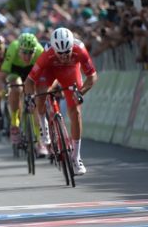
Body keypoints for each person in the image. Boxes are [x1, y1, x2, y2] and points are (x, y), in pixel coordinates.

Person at [24, 28, 98, 176]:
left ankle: (76, 157)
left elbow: (92, 77)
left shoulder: (80, 50)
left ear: (72, 47)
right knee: (41, 93)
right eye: (60, 53)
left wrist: (81, 92)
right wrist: (30, 97)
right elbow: (29, 80)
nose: (64, 56)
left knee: (75, 112)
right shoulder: (47, 55)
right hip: (49, 71)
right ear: (54, 49)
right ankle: (44, 125)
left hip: (70, 71)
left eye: (67, 52)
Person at [0, 33, 47, 156]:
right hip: (15, 71)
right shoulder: (12, 49)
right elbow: (1, 76)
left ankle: (39, 143)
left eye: (30, 52)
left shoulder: (40, 51)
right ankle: (15, 123)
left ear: (35, 50)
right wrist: (3, 91)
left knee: (35, 100)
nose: (27, 56)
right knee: (16, 88)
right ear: (19, 49)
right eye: (24, 52)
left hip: (32, 71)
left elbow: (46, 76)